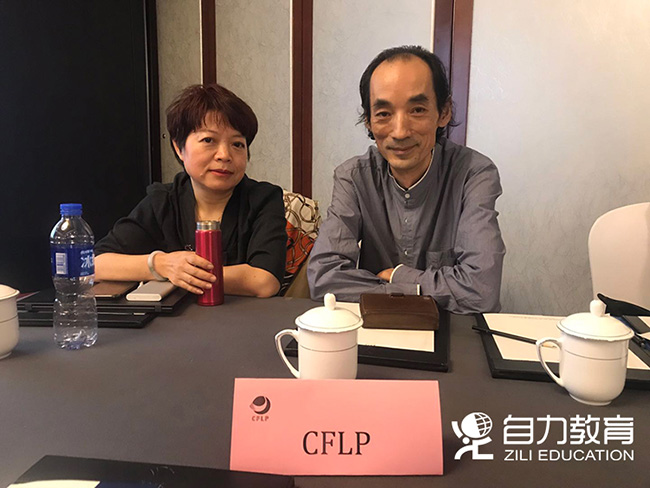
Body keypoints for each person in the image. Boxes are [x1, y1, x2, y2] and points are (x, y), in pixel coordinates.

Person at [307, 45, 505, 313]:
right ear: (368, 121)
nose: (400, 132)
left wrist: (398, 276)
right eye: (383, 114)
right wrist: (414, 289)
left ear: (444, 112)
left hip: (452, 328)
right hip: (377, 326)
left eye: (417, 110)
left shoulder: (474, 174)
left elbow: (480, 291)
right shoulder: (353, 177)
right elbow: (324, 278)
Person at [95, 84, 286, 298]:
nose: (224, 155)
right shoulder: (162, 200)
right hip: (174, 317)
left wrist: (186, 275)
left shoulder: (264, 199)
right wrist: (162, 264)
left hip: (242, 316)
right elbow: (97, 264)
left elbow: (264, 282)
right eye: (208, 140)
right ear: (179, 148)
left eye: (237, 144)